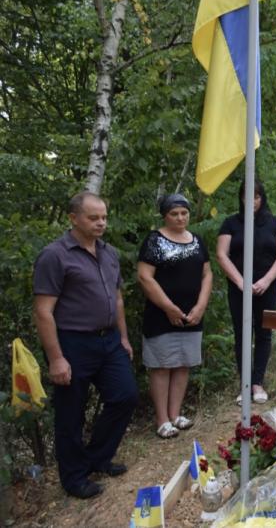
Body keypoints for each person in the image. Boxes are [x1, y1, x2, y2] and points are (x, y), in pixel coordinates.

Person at [33, 192, 138, 499]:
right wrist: (56, 358)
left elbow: (117, 299)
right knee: (71, 414)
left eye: (104, 217)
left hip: (109, 340)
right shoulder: (55, 255)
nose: (101, 223)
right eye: (93, 218)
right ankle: (74, 478)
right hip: (73, 342)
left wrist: (123, 337)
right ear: (73, 218)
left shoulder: (109, 253)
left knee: (125, 396)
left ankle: (97, 458)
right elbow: (43, 311)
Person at [137, 194, 212, 438]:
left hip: (192, 315)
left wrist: (201, 306)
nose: (180, 218)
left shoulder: (197, 241)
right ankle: (162, 420)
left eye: (184, 213)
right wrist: (168, 307)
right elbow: (145, 277)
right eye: (174, 213)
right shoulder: (154, 241)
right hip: (162, 315)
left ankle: (176, 414)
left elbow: (207, 274)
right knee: (161, 366)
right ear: (165, 215)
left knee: (183, 364)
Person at [217, 179, 276, 404]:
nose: (253, 201)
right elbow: (222, 254)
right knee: (242, 334)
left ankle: (257, 382)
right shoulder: (231, 223)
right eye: (248, 196)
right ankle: (245, 384)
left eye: (257, 197)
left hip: (267, 287)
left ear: (262, 198)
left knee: (264, 333)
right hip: (239, 288)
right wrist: (240, 282)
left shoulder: (274, 223)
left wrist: (267, 280)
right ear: (241, 198)